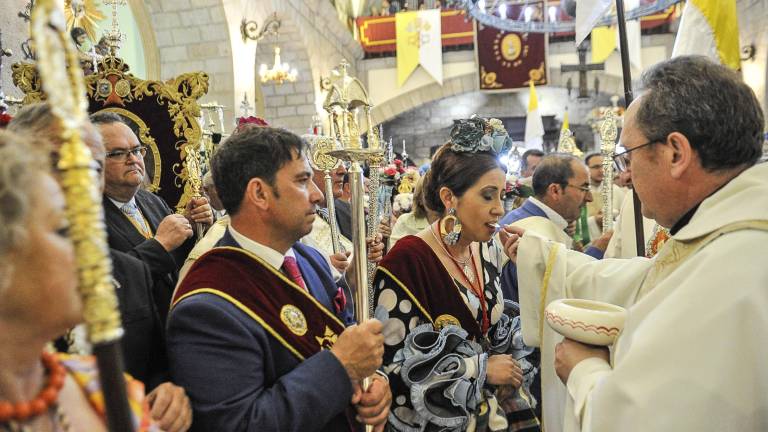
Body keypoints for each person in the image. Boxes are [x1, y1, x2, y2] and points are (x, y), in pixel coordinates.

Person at [508, 56, 768, 431]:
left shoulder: (734, 271)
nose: (624, 177)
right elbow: (654, 281)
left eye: (626, 156)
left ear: (676, 153)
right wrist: (548, 258)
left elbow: (639, 419)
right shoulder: (731, 235)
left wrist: (584, 370)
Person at [167, 126, 391, 431]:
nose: (317, 194)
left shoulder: (308, 260)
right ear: (259, 193)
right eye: (302, 180)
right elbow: (241, 424)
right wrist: (340, 367)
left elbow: (341, 333)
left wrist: (374, 380)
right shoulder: (208, 305)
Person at [8, 103, 193, 431]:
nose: (78, 183)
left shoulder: (129, 271)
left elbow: (155, 363)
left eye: (91, 168)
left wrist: (168, 390)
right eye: (57, 163)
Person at [374, 117, 539, 431]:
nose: (500, 209)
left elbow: (492, 325)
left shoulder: (485, 247)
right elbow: (393, 368)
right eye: (487, 196)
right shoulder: (408, 260)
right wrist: (479, 370)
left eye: (502, 196)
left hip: (490, 413)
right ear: (449, 198)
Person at [91, 112, 213, 323]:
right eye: (119, 153)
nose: (134, 159)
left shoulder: (152, 201)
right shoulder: (83, 216)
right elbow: (105, 286)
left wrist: (191, 228)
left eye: (137, 150)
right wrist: (160, 244)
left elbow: (174, 265)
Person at [583, 153, 626, 241]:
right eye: (596, 167)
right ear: (586, 169)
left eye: (604, 166)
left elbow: (624, 219)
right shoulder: (581, 191)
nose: (601, 170)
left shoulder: (615, 190)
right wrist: (594, 220)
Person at [387, 176, 438, 248]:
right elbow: (394, 255)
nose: (437, 198)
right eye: (430, 194)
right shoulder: (405, 221)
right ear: (419, 199)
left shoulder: (453, 222)